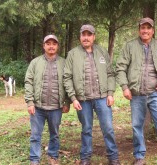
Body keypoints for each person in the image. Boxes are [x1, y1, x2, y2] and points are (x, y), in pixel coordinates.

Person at [115, 17, 157, 165]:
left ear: (153, 31)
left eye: (148, 28)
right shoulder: (130, 46)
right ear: (139, 30)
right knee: (137, 126)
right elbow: (120, 68)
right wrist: (125, 87)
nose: (145, 31)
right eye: (143, 28)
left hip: (155, 94)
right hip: (136, 95)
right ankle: (139, 156)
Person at [63, 24, 120, 165]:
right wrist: (73, 98)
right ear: (80, 37)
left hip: (102, 98)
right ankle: (85, 158)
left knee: (108, 128)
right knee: (86, 129)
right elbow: (67, 77)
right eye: (83, 35)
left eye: (89, 35)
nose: (86, 38)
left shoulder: (102, 52)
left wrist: (110, 93)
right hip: (83, 100)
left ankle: (113, 157)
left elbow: (110, 74)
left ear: (94, 37)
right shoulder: (72, 54)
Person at [24, 34, 70, 165]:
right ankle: (34, 159)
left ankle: (53, 156)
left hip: (56, 107)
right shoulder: (35, 62)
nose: (51, 46)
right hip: (37, 107)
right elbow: (28, 82)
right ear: (43, 46)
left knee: (54, 134)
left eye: (54, 44)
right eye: (48, 43)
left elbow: (68, 83)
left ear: (57, 46)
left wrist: (67, 102)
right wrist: (30, 102)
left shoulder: (64, 63)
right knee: (35, 135)